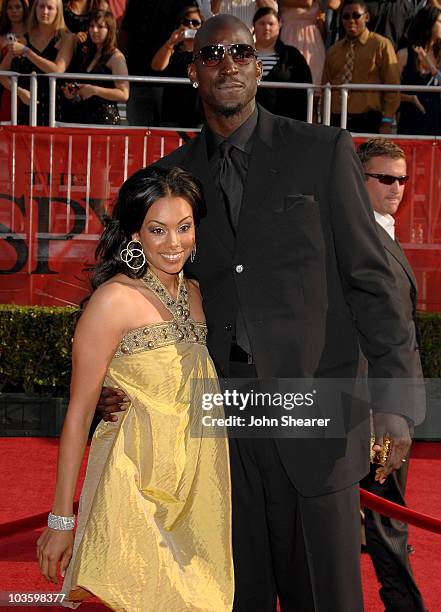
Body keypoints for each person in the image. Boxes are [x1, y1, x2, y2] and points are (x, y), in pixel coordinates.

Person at [98, 14, 424, 611]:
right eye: (213, 53)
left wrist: (396, 403)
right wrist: (106, 381)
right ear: (192, 71)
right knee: (233, 595)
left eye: (242, 52)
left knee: (325, 598)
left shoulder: (321, 152)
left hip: (318, 412)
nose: (229, 63)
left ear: (259, 66)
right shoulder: (168, 180)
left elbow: (373, 283)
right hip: (219, 420)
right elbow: (128, 292)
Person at [36, 165, 234, 611]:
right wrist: (61, 519)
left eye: (184, 228)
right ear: (134, 236)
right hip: (132, 486)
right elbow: (79, 413)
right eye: (157, 230)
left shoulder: (198, 294)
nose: (174, 243)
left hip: (196, 489)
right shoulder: (114, 300)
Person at [357, 137, 426, 612]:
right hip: (371, 406)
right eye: (385, 178)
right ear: (358, 182)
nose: (397, 188)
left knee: (384, 519)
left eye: (402, 179)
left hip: (385, 402)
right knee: (385, 521)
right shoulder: (355, 237)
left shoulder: (385, 229)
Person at [322, 0, 401, 133]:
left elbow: (392, 87)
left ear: (367, 17)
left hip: (368, 120)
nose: (351, 20)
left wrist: (387, 121)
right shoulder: (333, 50)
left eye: (356, 15)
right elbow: (325, 87)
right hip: (335, 119)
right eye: (346, 16)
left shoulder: (381, 45)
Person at [0, 0, 75, 125]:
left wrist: (27, 52)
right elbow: (2, 73)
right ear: (35, 9)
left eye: (50, 8)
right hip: (26, 109)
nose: (45, 11)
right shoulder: (24, 38)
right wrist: (19, 91)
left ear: (58, 11)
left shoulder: (66, 38)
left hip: (57, 110)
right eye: (41, 7)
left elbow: (57, 70)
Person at [61, 9, 129, 125]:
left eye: (100, 27)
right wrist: (73, 90)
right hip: (83, 118)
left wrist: (95, 90)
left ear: (110, 30)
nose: (94, 30)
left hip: (104, 121)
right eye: (91, 26)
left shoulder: (116, 57)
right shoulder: (87, 53)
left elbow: (124, 94)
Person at [253, 6, 312, 120]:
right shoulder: (243, 54)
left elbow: (305, 90)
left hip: (284, 122)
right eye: (261, 23)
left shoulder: (293, 56)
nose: (266, 28)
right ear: (254, 26)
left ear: (279, 25)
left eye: (271, 24)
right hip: (250, 121)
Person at [151, 4, 204, 127]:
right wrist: (171, 42)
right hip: (172, 113)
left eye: (195, 23)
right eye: (186, 22)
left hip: (198, 114)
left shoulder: (205, 52)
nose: (191, 26)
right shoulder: (172, 51)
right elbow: (157, 66)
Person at [397, 5, 441, 136]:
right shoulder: (404, 54)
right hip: (411, 121)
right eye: (439, 21)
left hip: (436, 122)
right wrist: (411, 99)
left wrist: (430, 65)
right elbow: (392, 92)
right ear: (428, 23)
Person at [0, 0, 29, 121]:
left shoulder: (34, 33)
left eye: (18, 7)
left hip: (31, 87)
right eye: (10, 8)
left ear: (25, 9)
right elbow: (1, 72)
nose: (14, 11)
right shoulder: (1, 37)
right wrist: (11, 51)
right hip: (9, 90)